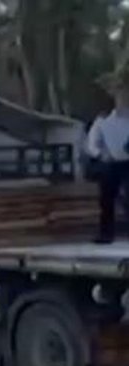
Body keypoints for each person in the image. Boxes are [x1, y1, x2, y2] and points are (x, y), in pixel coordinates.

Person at [88, 63, 129, 243]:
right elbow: (90, 143)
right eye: (120, 96)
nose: (123, 99)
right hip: (111, 163)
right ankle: (106, 234)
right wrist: (99, 154)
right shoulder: (104, 120)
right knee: (107, 201)